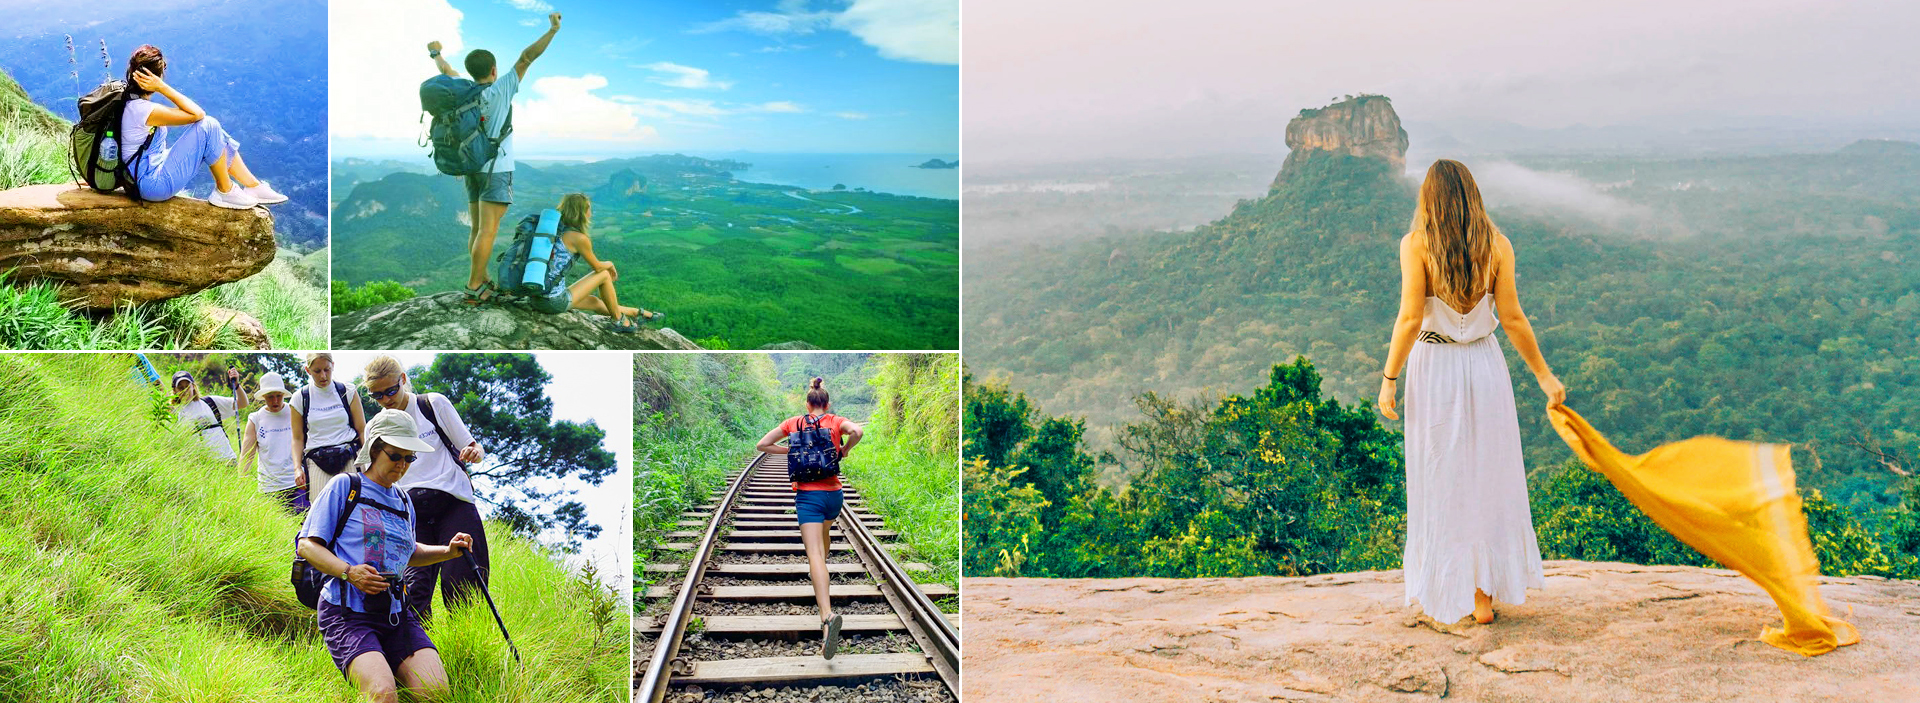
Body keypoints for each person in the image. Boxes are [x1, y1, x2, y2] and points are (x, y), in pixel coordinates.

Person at [1376, 159, 1566, 625]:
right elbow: (1514, 318)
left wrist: (1389, 378)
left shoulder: (1415, 245)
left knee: (1441, 474)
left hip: (1434, 367)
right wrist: (1544, 377)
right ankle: (1483, 594)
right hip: (1484, 363)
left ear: (1430, 200)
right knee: (1487, 474)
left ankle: (1446, 590)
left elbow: (1409, 319)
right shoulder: (1498, 246)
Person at [295, 409, 472, 703]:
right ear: (375, 449)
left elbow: (408, 552)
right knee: (382, 693)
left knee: (436, 693)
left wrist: (448, 551)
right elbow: (308, 546)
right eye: (395, 456)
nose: (402, 465)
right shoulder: (345, 486)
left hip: (396, 614)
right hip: (346, 612)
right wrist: (349, 572)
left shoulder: (404, 500)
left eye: (409, 458)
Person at [427, 12, 561, 304]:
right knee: (488, 230)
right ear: (493, 68)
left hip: (470, 167)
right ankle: (475, 285)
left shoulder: (464, 91)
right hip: (495, 169)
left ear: (471, 71)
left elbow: (446, 68)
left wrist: (435, 52)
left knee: (477, 229)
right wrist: (552, 30)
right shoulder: (500, 89)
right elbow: (527, 57)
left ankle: (482, 275)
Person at [360, 355, 491, 621]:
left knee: (463, 584)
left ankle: (470, 650)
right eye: (377, 396)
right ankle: (419, 655)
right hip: (408, 512)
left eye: (391, 390)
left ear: (403, 380)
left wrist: (474, 453)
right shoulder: (375, 426)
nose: (386, 400)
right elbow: (369, 475)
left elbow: (474, 445)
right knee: (413, 591)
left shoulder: (432, 404)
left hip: (453, 502)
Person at [755, 377, 864, 659]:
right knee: (824, 540)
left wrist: (789, 449)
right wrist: (845, 449)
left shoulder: (794, 423)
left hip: (808, 497)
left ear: (807, 403)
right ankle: (822, 574)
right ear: (827, 404)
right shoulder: (836, 421)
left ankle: (827, 618)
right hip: (833, 495)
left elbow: (762, 445)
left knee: (814, 555)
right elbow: (858, 431)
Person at [118, 44, 287, 210]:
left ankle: (253, 186)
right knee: (209, 126)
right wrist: (163, 88)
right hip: (151, 185)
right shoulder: (142, 110)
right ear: (157, 77)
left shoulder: (127, 101)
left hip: (144, 171)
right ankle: (224, 190)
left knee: (217, 134)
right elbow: (197, 114)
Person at [533, 193, 664, 330]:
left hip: (537, 298)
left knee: (595, 302)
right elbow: (598, 268)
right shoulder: (578, 238)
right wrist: (610, 263)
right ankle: (618, 321)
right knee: (604, 275)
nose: (591, 212)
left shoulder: (552, 231)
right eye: (589, 209)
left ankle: (635, 312)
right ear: (582, 212)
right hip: (552, 301)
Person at [291, 353, 368, 498]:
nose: (323, 376)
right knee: (321, 507)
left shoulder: (347, 391)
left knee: (356, 504)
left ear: (333, 365)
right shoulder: (300, 398)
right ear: (308, 370)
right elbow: (297, 438)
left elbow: (362, 429)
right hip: (317, 459)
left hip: (349, 455)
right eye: (317, 371)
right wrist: (297, 468)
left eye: (327, 369)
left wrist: (369, 459)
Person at [239, 372, 300, 512]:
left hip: (296, 483)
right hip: (268, 487)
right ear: (263, 397)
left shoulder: (295, 412)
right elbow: (247, 455)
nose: (275, 401)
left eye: (279, 396)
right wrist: (241, 482)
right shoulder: (255, 419)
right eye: (270, 397)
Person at [170, 367, 247, 463]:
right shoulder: (176, 414)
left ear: (193, 387)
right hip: (200, 466)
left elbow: (243, 403)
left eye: (187, 386)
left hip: (227, 460)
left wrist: (236, 385)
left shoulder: (210, 402)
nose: (185, 390)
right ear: (175, 391)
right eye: (181, 388)